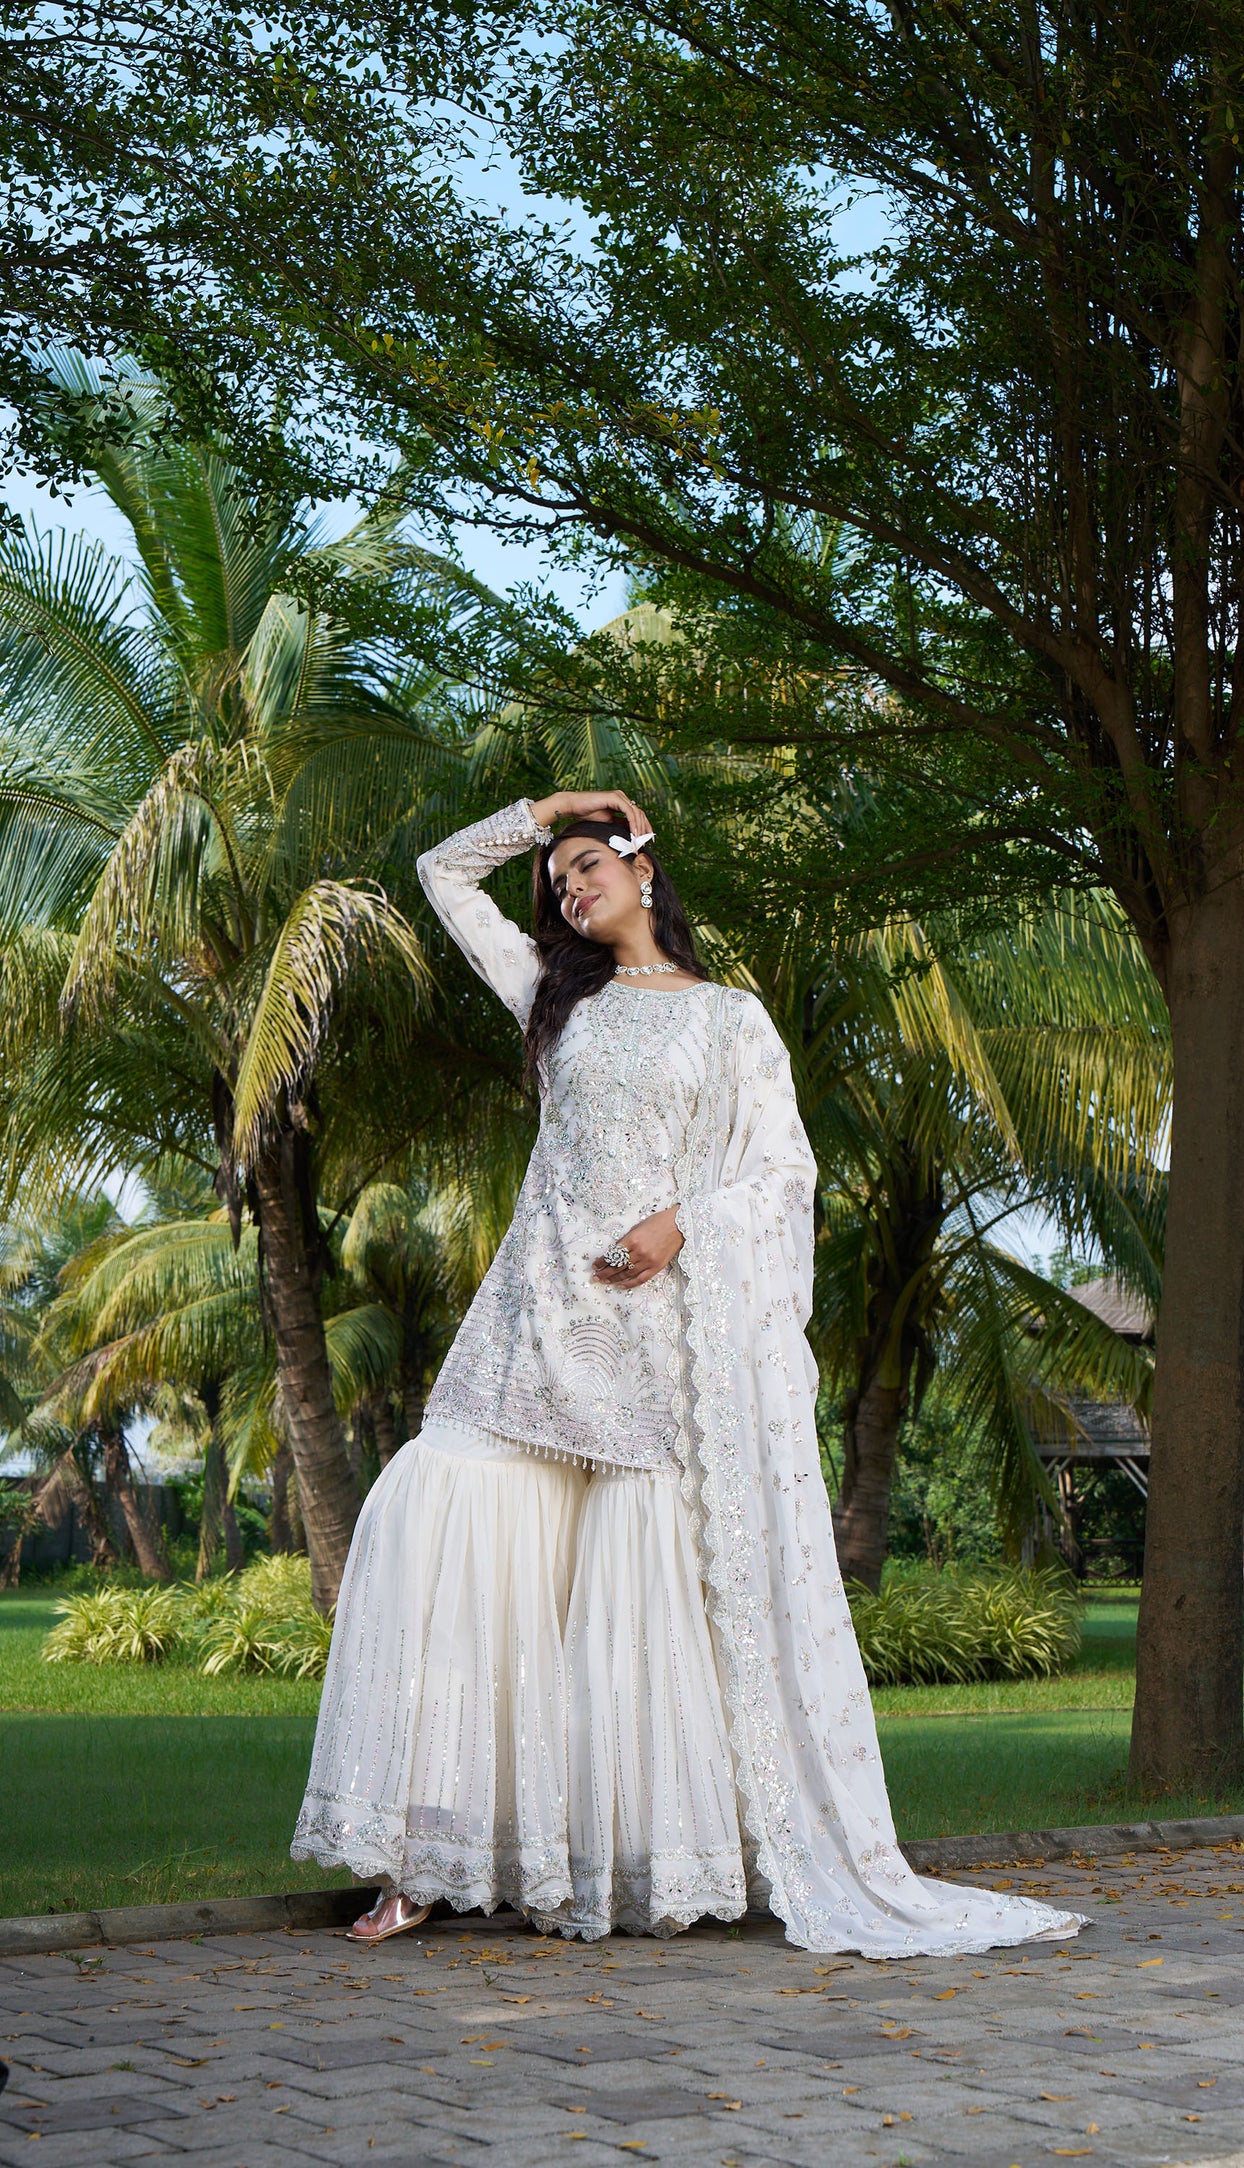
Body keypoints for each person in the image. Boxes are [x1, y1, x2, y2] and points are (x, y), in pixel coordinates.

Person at [291, 791, 1084, 1956]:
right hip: (526, 1324)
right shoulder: (551, 997)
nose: (569, 886)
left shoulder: (729, 1020)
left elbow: (782, 1174)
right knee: (435, 1522)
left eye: (586, 864)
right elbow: (441, 872)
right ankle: (422, 1858)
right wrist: (549, 810)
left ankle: (621, 1865)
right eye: (558, 878)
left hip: (649, 1338)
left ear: (643, 869)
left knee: (628, 1595)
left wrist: (680, 1225)